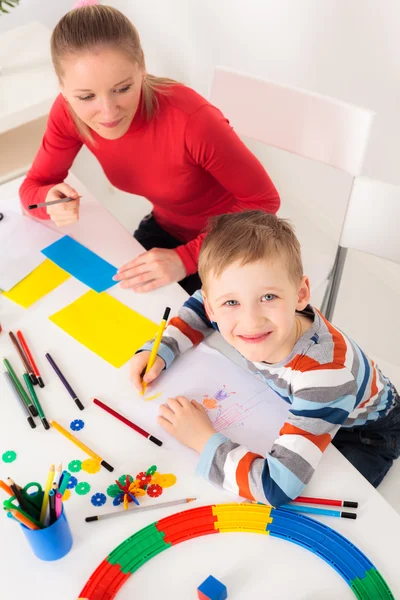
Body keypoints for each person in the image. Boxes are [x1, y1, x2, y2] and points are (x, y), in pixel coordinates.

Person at [130, 210, 400, 506]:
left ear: (301, 294)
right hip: (305, 403)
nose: (250, 321)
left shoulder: (325, 378)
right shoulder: (233, 307)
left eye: (268, 297)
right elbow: (199, 300)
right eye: (231, 302)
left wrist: (202, 440)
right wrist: (162, 348)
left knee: (315, 515)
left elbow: (276, 487)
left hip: (364, 435)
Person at [19, 4, 279, 295]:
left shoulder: (192, 120)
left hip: (231, 240)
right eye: (86, 96)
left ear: (141, 65)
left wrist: (187, 258)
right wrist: (48, 201)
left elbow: (264, 202)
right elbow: (31, 190)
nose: (107, 112)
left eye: (122, 89)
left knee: (189, 333)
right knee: (114, 305)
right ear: (63, 87)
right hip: (166, 232)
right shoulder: (67, 112)